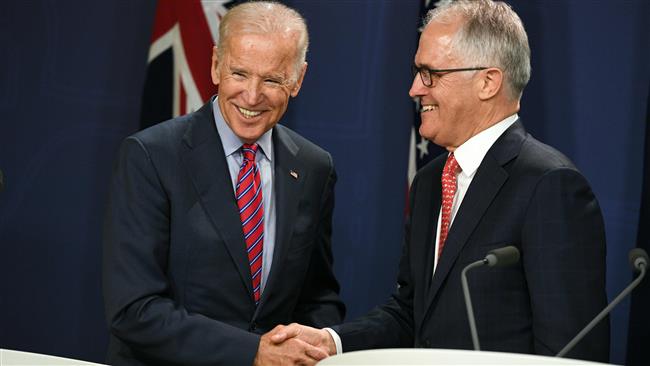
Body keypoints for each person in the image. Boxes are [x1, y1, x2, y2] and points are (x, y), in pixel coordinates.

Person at [271, 0, 609, 362]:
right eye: (418, 72)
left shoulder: (549, 185)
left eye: (431, 73)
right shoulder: (432, 181)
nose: (415, 89)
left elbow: (572, 351)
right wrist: (331, 343)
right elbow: (411, 313)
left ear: (488, 82)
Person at [102, 2, 345, 365]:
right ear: (216, 64)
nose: (251, 95)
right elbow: (134, 308)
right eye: (240, 73)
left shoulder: (313, 167)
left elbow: (318, 296)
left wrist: (309, 346)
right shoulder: (151, 156)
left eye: (272, 79)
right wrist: (252, 352)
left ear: (298, 79)